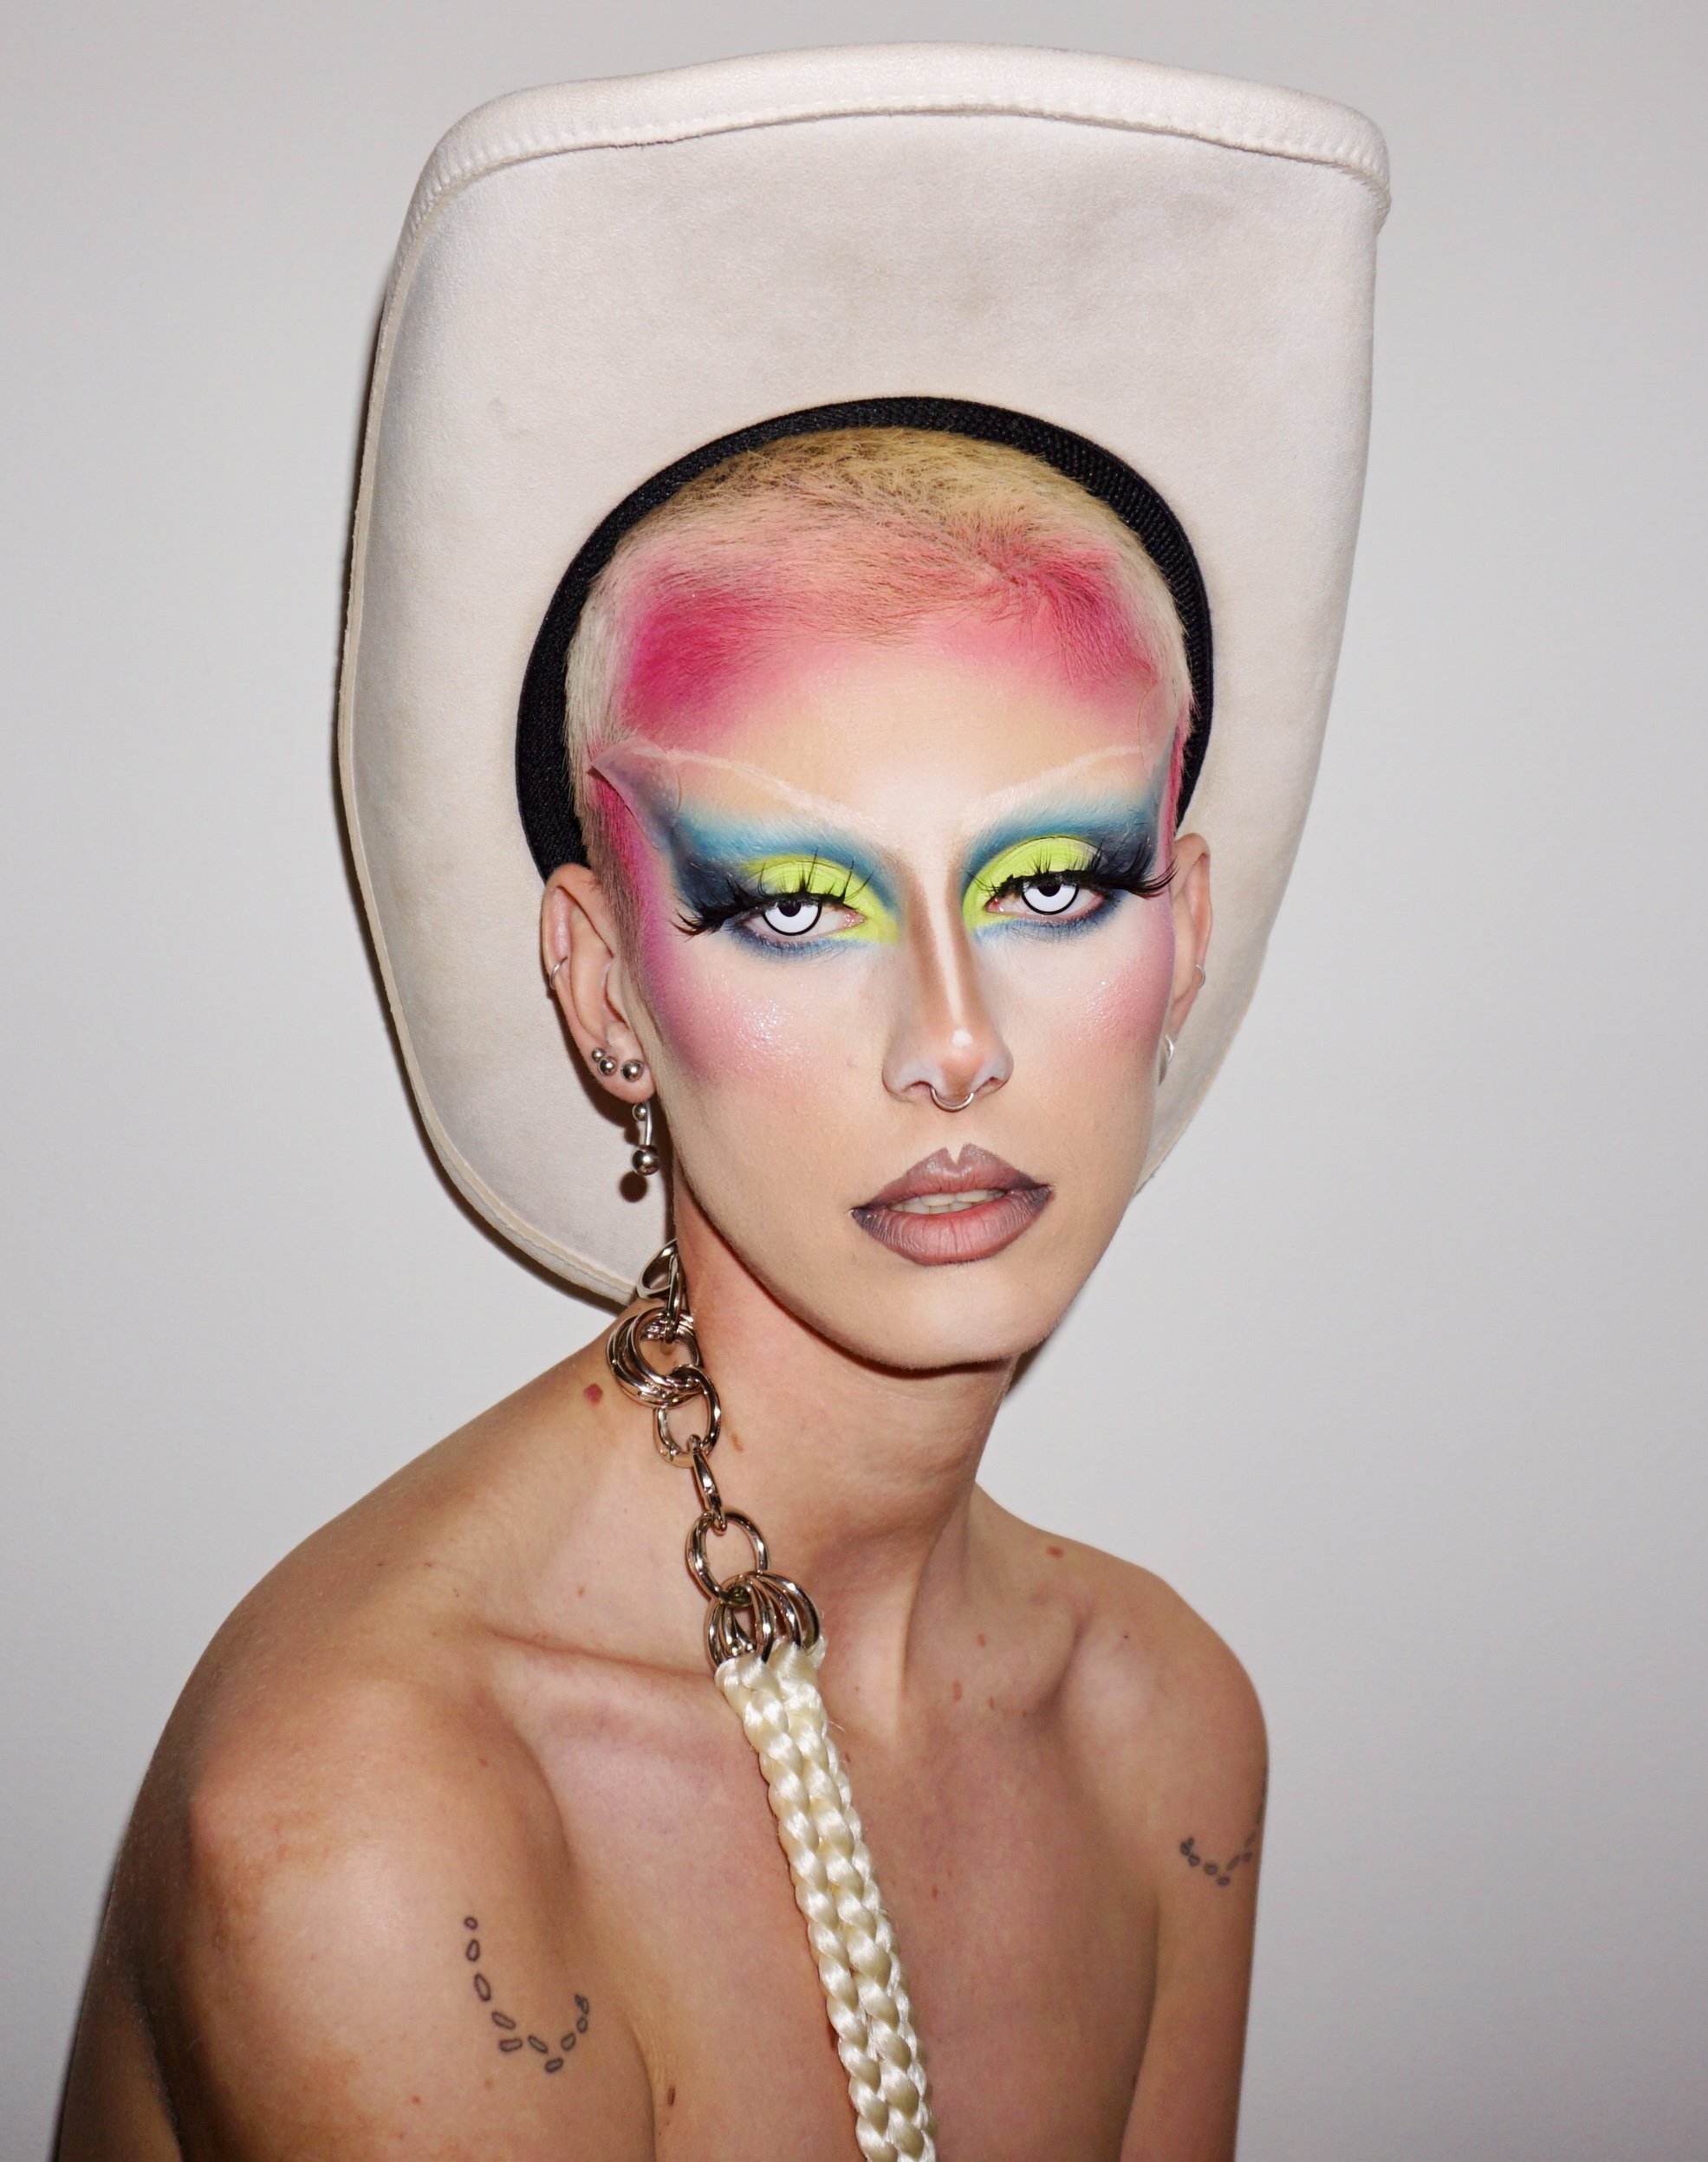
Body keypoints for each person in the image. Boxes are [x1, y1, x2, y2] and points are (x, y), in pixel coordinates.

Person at [57, 47, 1386, 2162]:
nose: (949, 1040)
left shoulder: (1164, 1727)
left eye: (1050, 883)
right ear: (604, 988)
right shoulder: (384, 1828)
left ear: (1186, 926)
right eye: (790, 905)